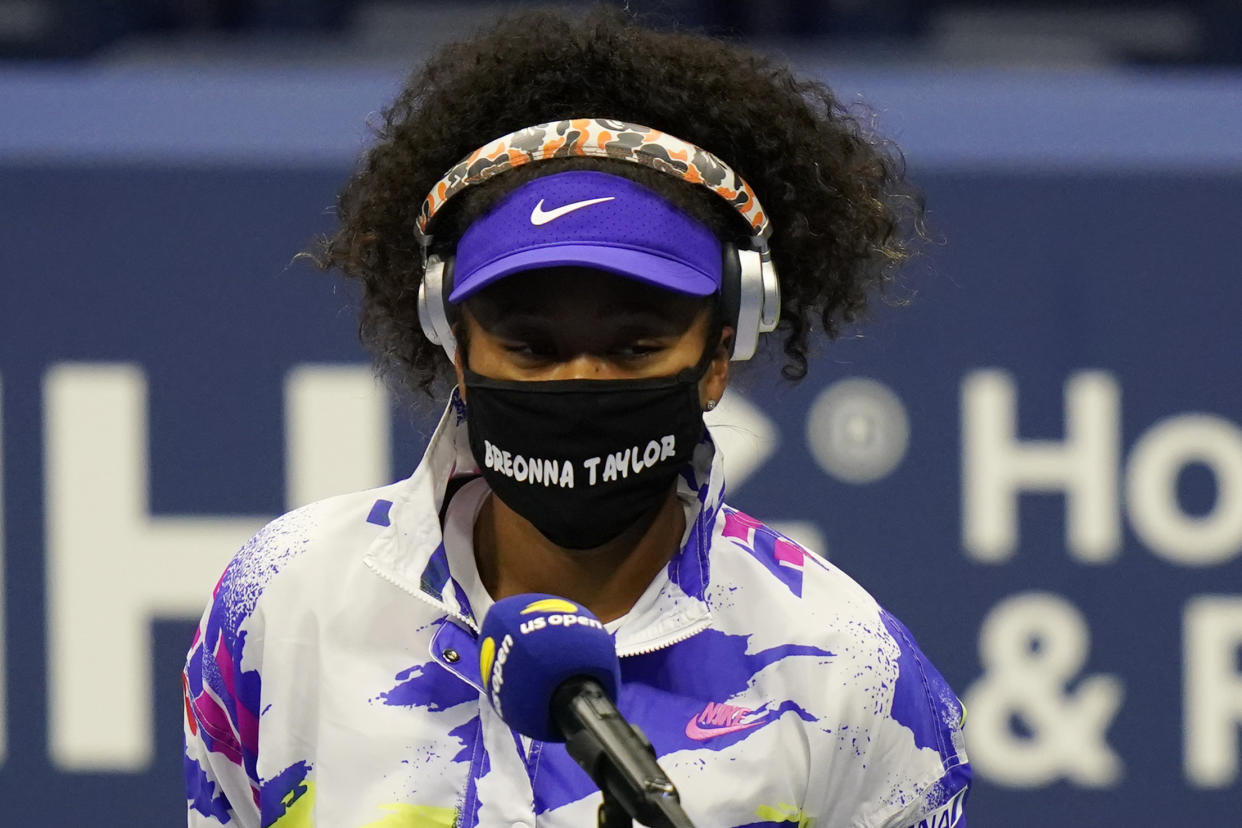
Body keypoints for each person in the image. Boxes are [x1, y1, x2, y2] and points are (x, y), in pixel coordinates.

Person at [183, 8, 970, 827]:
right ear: (455, 347)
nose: (581, 380)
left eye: (634, 346)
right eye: (531, 347)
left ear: (716, 356)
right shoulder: (284, 602)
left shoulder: (850, 672)